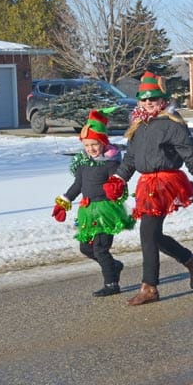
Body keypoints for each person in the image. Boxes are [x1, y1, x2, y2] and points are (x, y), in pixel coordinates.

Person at [103, 72, 193, 306]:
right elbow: (131, 158)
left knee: (148, 233)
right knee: (152, 234)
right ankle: (190, 259)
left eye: (152, 98)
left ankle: (149, 287)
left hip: (165, 183)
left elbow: (191, 153)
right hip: (146, 183)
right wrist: (118, 178)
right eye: (143, 99)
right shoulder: (138, 125)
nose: (148, 103)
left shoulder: (172, 124)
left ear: (162, 99)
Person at [52, 107, 135, 297]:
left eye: (94, 144)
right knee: (86, 247)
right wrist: (63, 202)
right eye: (87, 145)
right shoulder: (83, 165)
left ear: (103, 143)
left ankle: (112, 284)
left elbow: (119, 183)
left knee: (100, 248)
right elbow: (76, 186)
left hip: (106, 211)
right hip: (88, 211)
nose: (91, 149)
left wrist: (116, 188)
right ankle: (114, 266)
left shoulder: (111, 163)